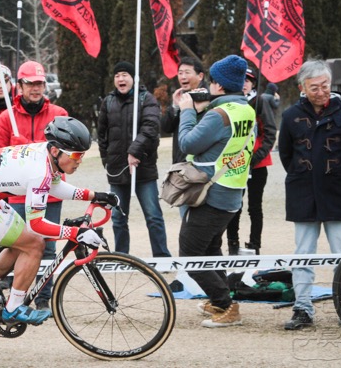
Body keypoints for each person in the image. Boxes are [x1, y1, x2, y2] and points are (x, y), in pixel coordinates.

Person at [0, 117, 119, 325]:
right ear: (56, 151)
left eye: (82, 155)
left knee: (23, 241)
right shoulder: (38, 172)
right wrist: (76, 233)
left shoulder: (46, 155)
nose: (79, 161)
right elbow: (37, 224)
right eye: (76, 155)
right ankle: (12, 310)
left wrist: (95, 195)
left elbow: (55, 187)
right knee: (34, 244)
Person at [279, 60, 341, 330]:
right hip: (302, 192)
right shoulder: (291, 116)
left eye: (325, 86)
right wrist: (303, 174)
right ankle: (302, 309)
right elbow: (286, 154)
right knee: (303, 253)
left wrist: (339, 175)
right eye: (314, 87)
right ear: (303, 87)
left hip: (337, 191)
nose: (321, 91)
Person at [177, 55, 255, 328]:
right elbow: (222, 143)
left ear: (219, 85)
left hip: (211, 193)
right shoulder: (245, 109)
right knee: (210, 248)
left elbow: (188, 143)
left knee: (189, 254)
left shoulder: (218, 114)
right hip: (232, 191)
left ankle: (225, 304)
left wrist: (187, 110)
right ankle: (220, 298)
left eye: (211, 80)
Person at [0, 60, 68, 311]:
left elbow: (62, 155)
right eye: (30, 83)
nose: (36, 88)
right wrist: (12, 150)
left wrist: (25, 145)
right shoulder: (6, 118)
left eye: (40, 83)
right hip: (16, 194)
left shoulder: (59, 114)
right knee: (17, 246)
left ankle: (44, 297)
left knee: (47, 246)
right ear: (19, 86)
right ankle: (14, 296)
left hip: (50, 193)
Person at [97, 61, 170, 257]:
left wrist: (135, 152)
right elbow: (101, 134)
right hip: (117, 171)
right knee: (118, 218)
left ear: (133, 78)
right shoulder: (108, 102)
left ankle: (162, 256)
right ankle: (122, 256)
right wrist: (107, 160)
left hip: (143, 169)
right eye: (117, 76)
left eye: (125, 75)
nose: (121, 79)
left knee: (153, 216)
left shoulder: (147, 99)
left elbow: (151, 128)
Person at [226, 68, 276, 255]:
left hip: (257, 163)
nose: (244, 83)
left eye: (248, 80)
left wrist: (256, 156)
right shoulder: (230, 102)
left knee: (255, 206)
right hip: (234, 164)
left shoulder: (260, 102)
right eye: (241, 80)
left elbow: (270, 132)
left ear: (253, 84)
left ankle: (255, 244)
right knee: (233, 204)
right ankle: (232, 242)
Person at [161, 57, 207, 163]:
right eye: (180, 73)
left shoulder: (208, 98)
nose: (183, 77)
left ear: (200, 76)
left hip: (200, 164)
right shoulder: (180, 96)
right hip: (180, 163)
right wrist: (175, 106)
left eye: (187, 72)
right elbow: (166, 128)